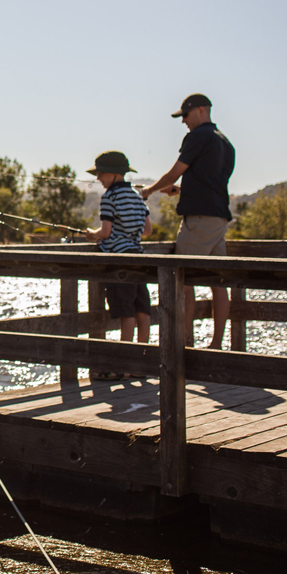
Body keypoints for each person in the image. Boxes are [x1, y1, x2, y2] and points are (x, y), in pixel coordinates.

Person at [139, 93, 235, 349]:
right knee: (218, 282)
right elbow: (210, 181)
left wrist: (148, 191)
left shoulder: (198, 136)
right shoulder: (225, 142)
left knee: (181, 279)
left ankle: (183, 343)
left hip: (199, 220)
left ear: (202, 111)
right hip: (219, 218)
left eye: (186, 115)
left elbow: (173, 172)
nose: (183, 121)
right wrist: (184, 189)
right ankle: (215, 344)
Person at [85, 151, 153, 381]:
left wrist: (92, 235)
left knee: (126, 312)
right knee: (142, 310)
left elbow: (105, 232)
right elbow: (147, 231)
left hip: (119, 261)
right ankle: (140, 364)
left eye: (101, 173)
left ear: (114, 174)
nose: (98, 178)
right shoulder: (136, 196)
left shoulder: (109, 198)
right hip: (139, 259)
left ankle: (124, 364)